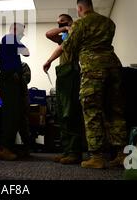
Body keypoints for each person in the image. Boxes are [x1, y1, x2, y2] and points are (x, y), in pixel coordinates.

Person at [43, 0, 127, 169]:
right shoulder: (109, 23)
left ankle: (97, 156)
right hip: (113, 66)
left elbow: (69, 48)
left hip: (93, 68)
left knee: (91, 110)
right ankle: (122, 154)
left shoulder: (80, 24)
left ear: (79, 9)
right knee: (115, 110)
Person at [45, 14, 85, 165]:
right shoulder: (64, 35)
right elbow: (48, 34)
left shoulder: (74, 35)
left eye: (61, 21)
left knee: (70, 113)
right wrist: (64, 27)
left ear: (69, 20)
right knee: (62, 114)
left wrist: (48, 60)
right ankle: (67, 151)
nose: (58, 24)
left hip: (71, 73)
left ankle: (74, 153)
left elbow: (62, 48)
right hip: (63, 73)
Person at [0, 23, 31, 161]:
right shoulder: (10, 38)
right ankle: (4, 148)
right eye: (22, 32)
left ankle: (9, 147)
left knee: (15, 114)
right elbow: (27, 52)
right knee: (11, 115)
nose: (23, 35)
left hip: (12, 81)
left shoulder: (10, 42)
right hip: (9, 81)